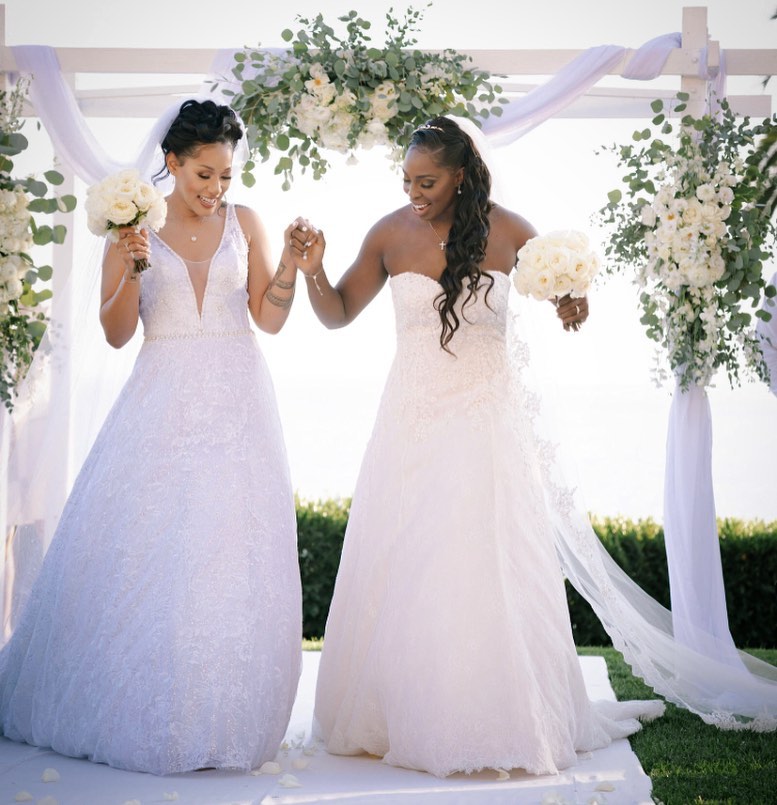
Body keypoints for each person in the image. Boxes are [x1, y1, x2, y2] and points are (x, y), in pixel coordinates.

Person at [288, 115, 664, 778]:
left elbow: (565, 291)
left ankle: (497, 711)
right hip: (409, 423)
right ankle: (404, 708)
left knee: (484, 560)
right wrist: (314, 271)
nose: (414, 191)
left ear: (460, 174)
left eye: (426, 180)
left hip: (487, 426)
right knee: (406, 558)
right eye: (406, 179)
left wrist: (573, 301)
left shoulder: (511, 229)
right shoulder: (387, 233)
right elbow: (337, 312)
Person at [0, 99, 303, 775]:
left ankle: (224, 712)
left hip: (238, 400)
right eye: (203, 173)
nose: (214, 188)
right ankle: (156, 703)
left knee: (229, 548)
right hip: (162, 395)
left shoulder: (244, 221)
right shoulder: (131, 229)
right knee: (155, 546)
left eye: (224, 175)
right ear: (171, 162)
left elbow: (270, 318)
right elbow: (114, 331)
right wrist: (134, 270)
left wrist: (288, 264)